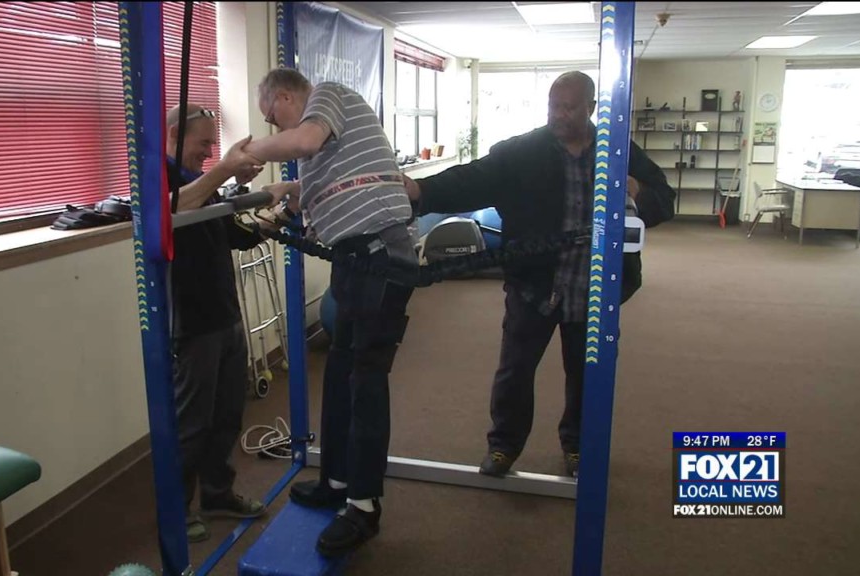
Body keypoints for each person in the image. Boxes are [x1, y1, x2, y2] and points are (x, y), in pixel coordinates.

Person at [403, 71, 676, 479]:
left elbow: (665, 200)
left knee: (586, 374)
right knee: (515, 370)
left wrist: (637, 192)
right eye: (554, 106)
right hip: (534, 284)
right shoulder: (523, 152)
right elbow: (472, 179)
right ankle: (503, 446)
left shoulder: (618, 150)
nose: (559, 115)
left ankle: (578, 447)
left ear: (591, 108)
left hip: (594, 289)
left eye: (569, 107)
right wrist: (420, 191)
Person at [243, 68, 418, 557]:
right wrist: (286, 196)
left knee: (365, 382)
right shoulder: (320, 150)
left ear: (285, 96)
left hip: (379, 257)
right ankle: (337, 481)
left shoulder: (328, 96)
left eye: (271, 116)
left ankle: (364, 507)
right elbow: (326, 186)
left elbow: (304, 139)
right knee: (340, 374)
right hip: (355, 260)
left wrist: (248, 153)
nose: (273, 127)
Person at [164, 103, 270, 542]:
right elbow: (169, 212)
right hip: (192, 322)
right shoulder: (158, 176)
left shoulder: (198, 180)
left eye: (213, 144)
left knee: (228, 414)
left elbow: (231, 234)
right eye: (203, 143)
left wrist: (278, 206)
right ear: (174, 134)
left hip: (225, 313)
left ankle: (217, 493)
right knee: (192, 423)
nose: (209, 152)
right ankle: (176, 510)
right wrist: (225, 169)